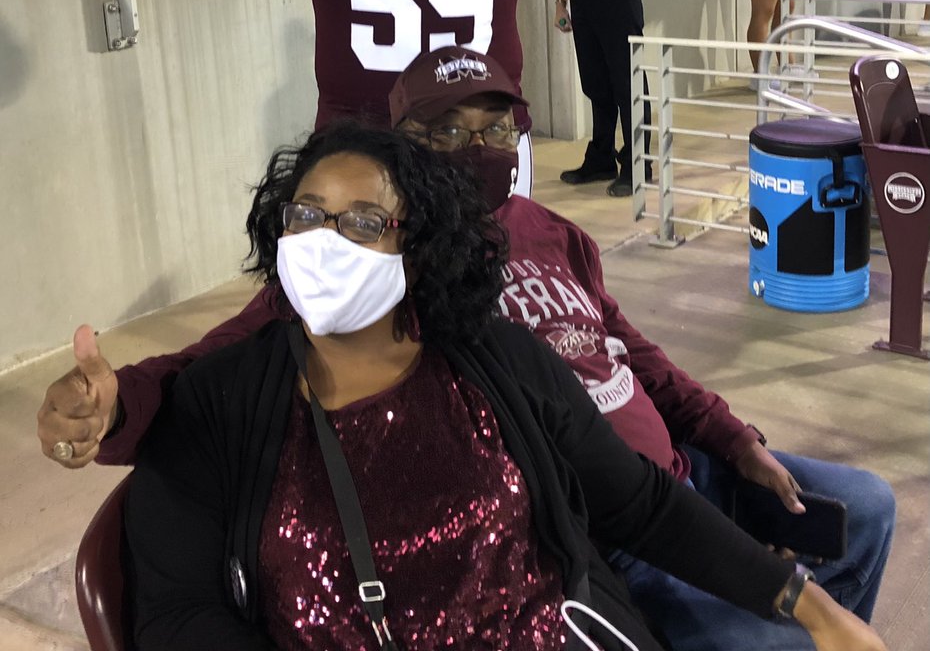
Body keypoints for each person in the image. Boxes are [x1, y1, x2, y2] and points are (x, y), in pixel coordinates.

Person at [36, 69, 895, 651]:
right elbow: (179, 616)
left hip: (588, 600)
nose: (325, 243)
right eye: (306, 216)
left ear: (418, 243)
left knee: (856, 520)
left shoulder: (491, 351)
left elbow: (639, 502)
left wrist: (810, 607)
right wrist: (106, 408)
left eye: (364, 222)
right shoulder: (229, 400)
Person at [557, 0, 654, 194]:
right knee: (595, 84)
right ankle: (601, 158)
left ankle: (638, 165)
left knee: (628, 84)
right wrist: (561, 0)